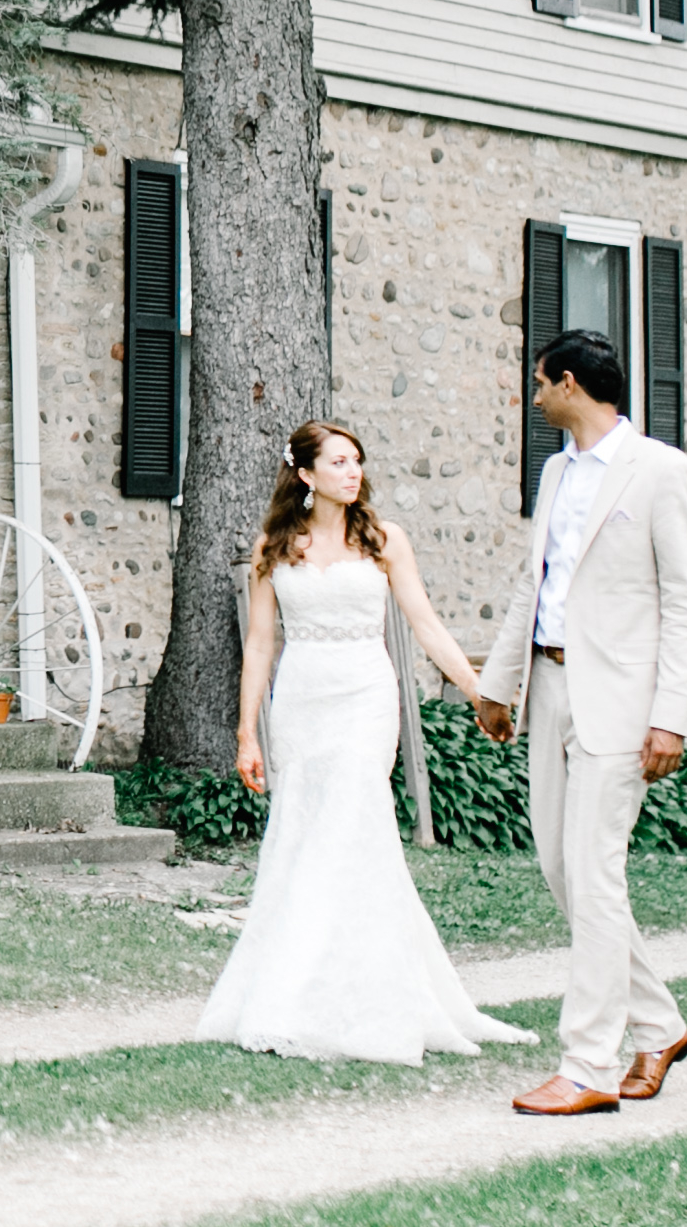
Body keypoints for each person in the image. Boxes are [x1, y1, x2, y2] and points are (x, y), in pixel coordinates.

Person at [194, 421, 530, 1066]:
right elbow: (261, 644)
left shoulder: (382, 540)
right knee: (303, 839)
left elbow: (425, 623)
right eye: (339, 462)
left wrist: (480, 690)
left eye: (357, 462)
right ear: (306, 474)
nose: (353, 472)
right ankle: (295, 993)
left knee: (354, 825)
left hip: (364, 697)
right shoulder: (275, 546)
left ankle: (372, 998)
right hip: (300, 701)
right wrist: (246, 732)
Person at [475, 329, 687, 1116]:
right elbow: (532, 585)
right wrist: (498, 683)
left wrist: (671, 717)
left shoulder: (663, 472)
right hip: (549, 685)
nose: (532, 393)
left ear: (570, 384)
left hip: (622, 702)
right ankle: (660, 1027)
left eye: (540, 381)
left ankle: (587, 1067)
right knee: (563, 869)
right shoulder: (555, 472)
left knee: (597, 870)